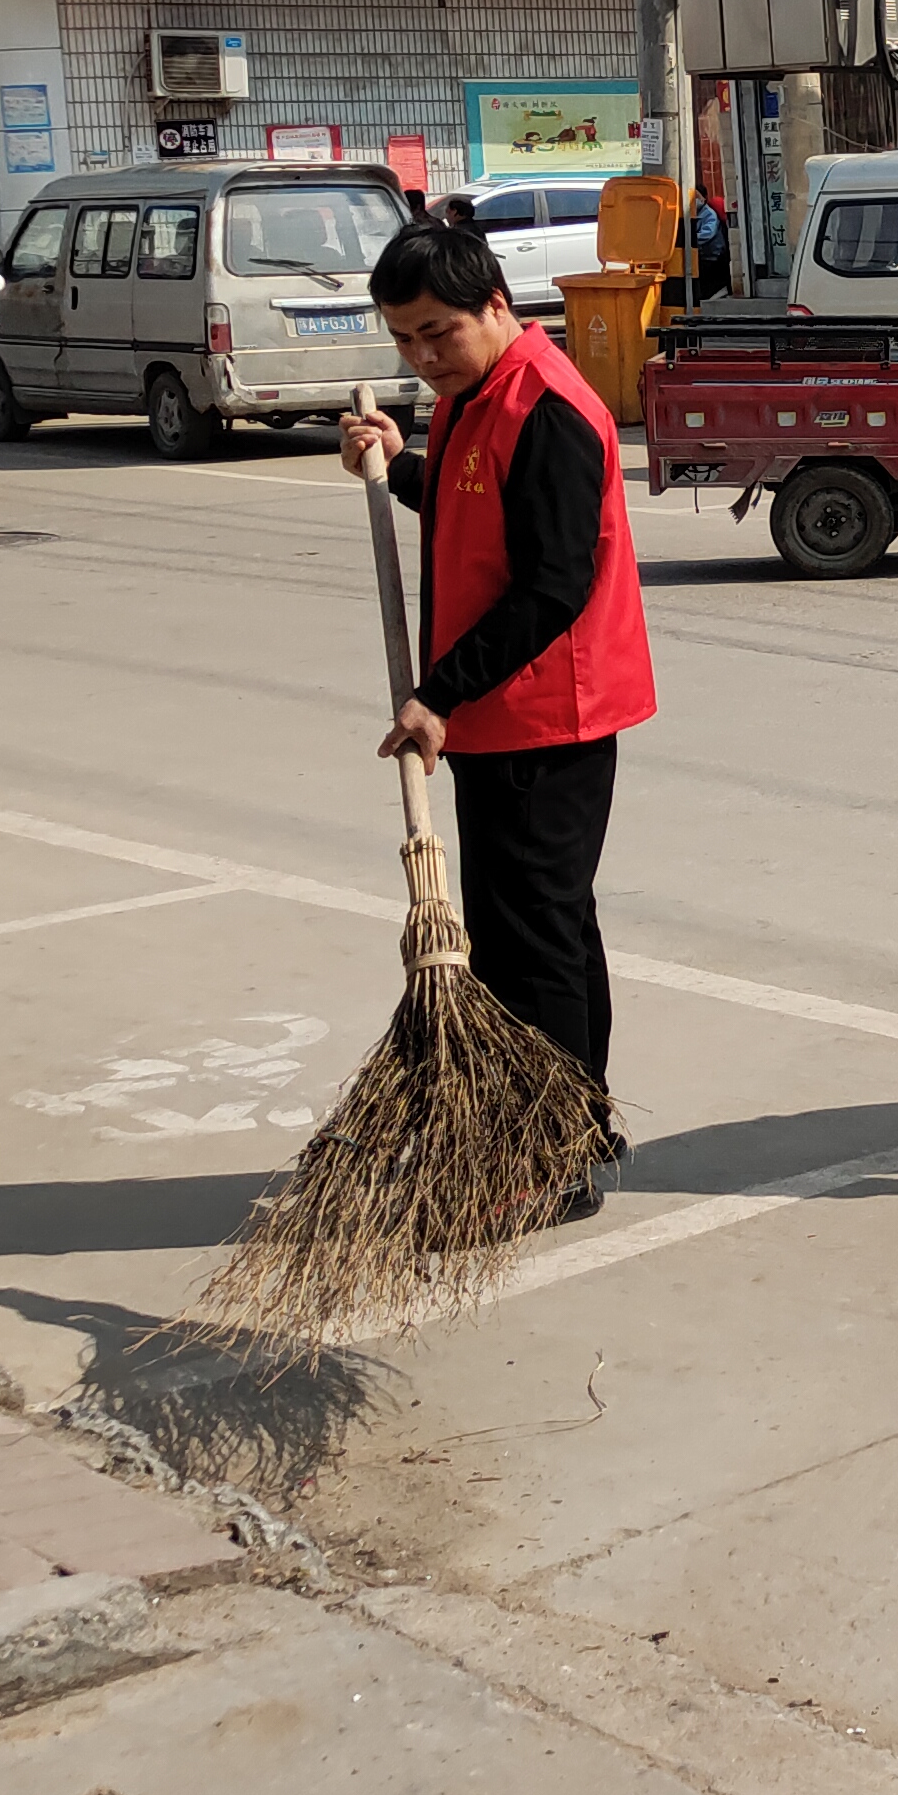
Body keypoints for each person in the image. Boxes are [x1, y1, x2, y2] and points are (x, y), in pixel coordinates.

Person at [336, 219, 656, 1218]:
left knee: (529, 946)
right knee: (554, 927)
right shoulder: (479, 396)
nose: (423, 357)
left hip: (545, 716)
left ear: (497, 308)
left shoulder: (546, 407)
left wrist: (439, 693)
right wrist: (401, 468)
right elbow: (483, 518)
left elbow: (553, 582)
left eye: (438, 332)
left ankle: (545, 1162)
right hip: (505, 715)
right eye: (404, 341)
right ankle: (580, 1125)